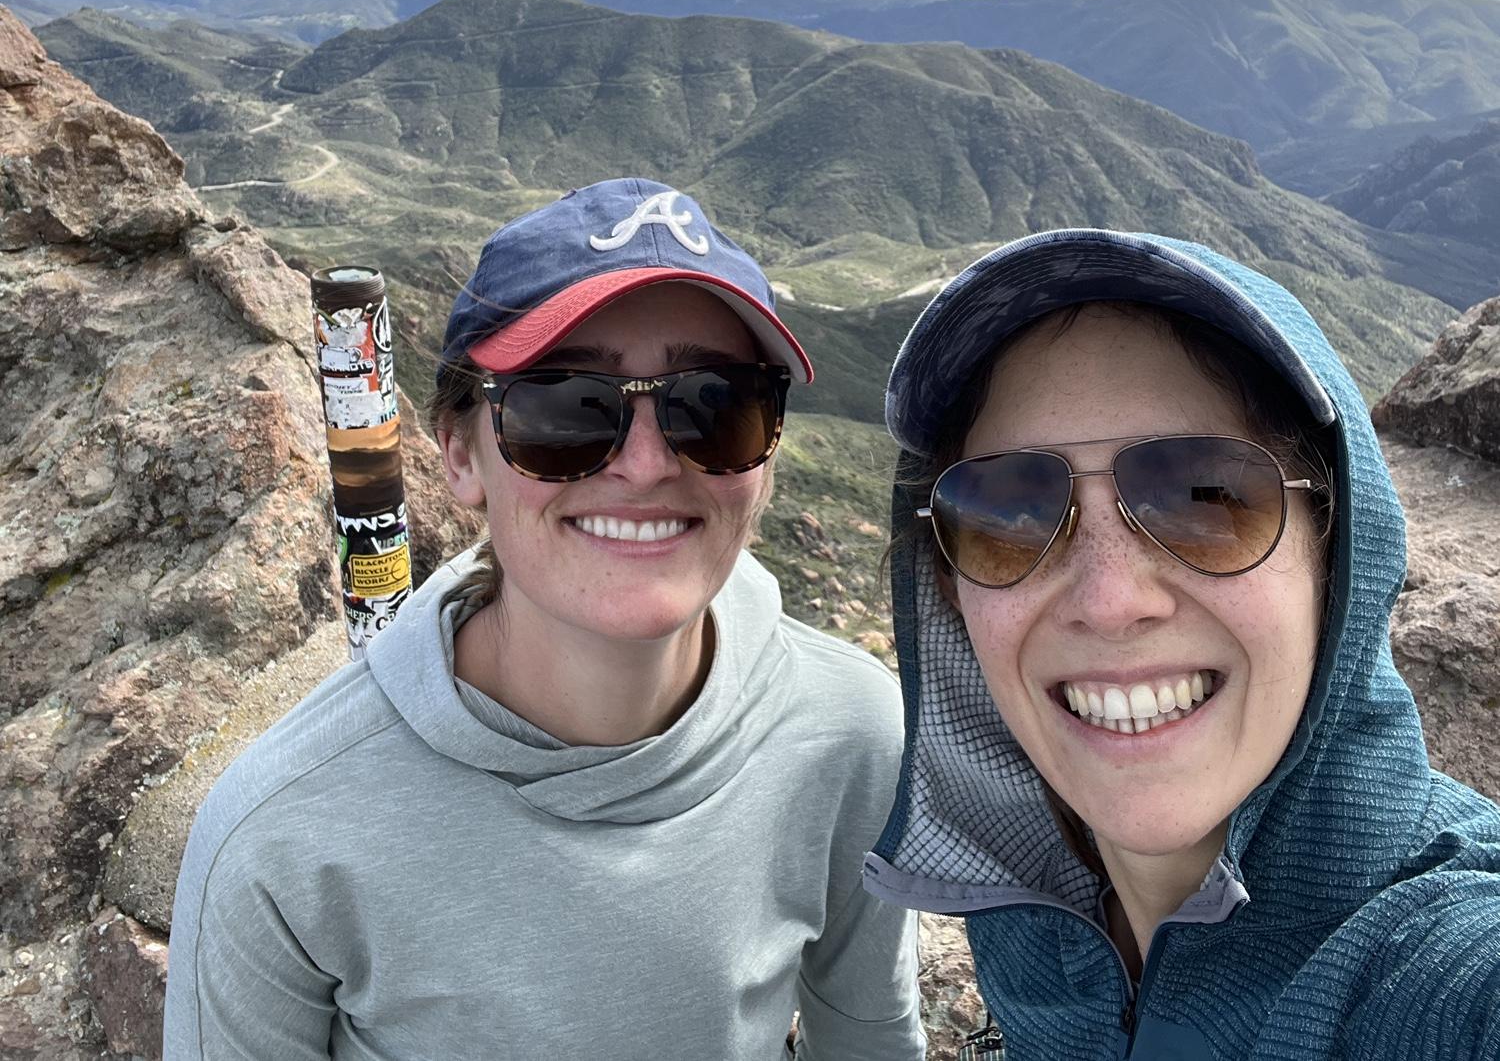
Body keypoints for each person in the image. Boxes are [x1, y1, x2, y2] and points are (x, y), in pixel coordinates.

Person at [165, 177, 925, 1060]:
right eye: (565, 408)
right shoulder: (280, 836)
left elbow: (872, 1040)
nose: (645, 465)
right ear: (460, 456)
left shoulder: (851, 734)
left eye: (714, 405)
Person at [862, 228, 1500, 1059]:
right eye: (1007, 516)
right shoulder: (1030, 921)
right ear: (949, 587)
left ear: (1334, 553)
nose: (1110, 601)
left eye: (1207, 498)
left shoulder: (1434, 967)